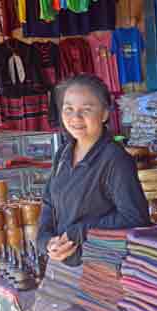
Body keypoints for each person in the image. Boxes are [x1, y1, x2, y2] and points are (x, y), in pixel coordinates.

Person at [37, 74, 150, 266]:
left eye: (86, 110)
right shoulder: (64, 153)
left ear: (105, 114)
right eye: (69, 109)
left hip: (103, 268)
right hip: (64, 266)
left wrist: (80, 231)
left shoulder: (116, 160)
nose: (75, 118)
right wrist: (46, 241)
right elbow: (49, 203)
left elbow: (135, 218)